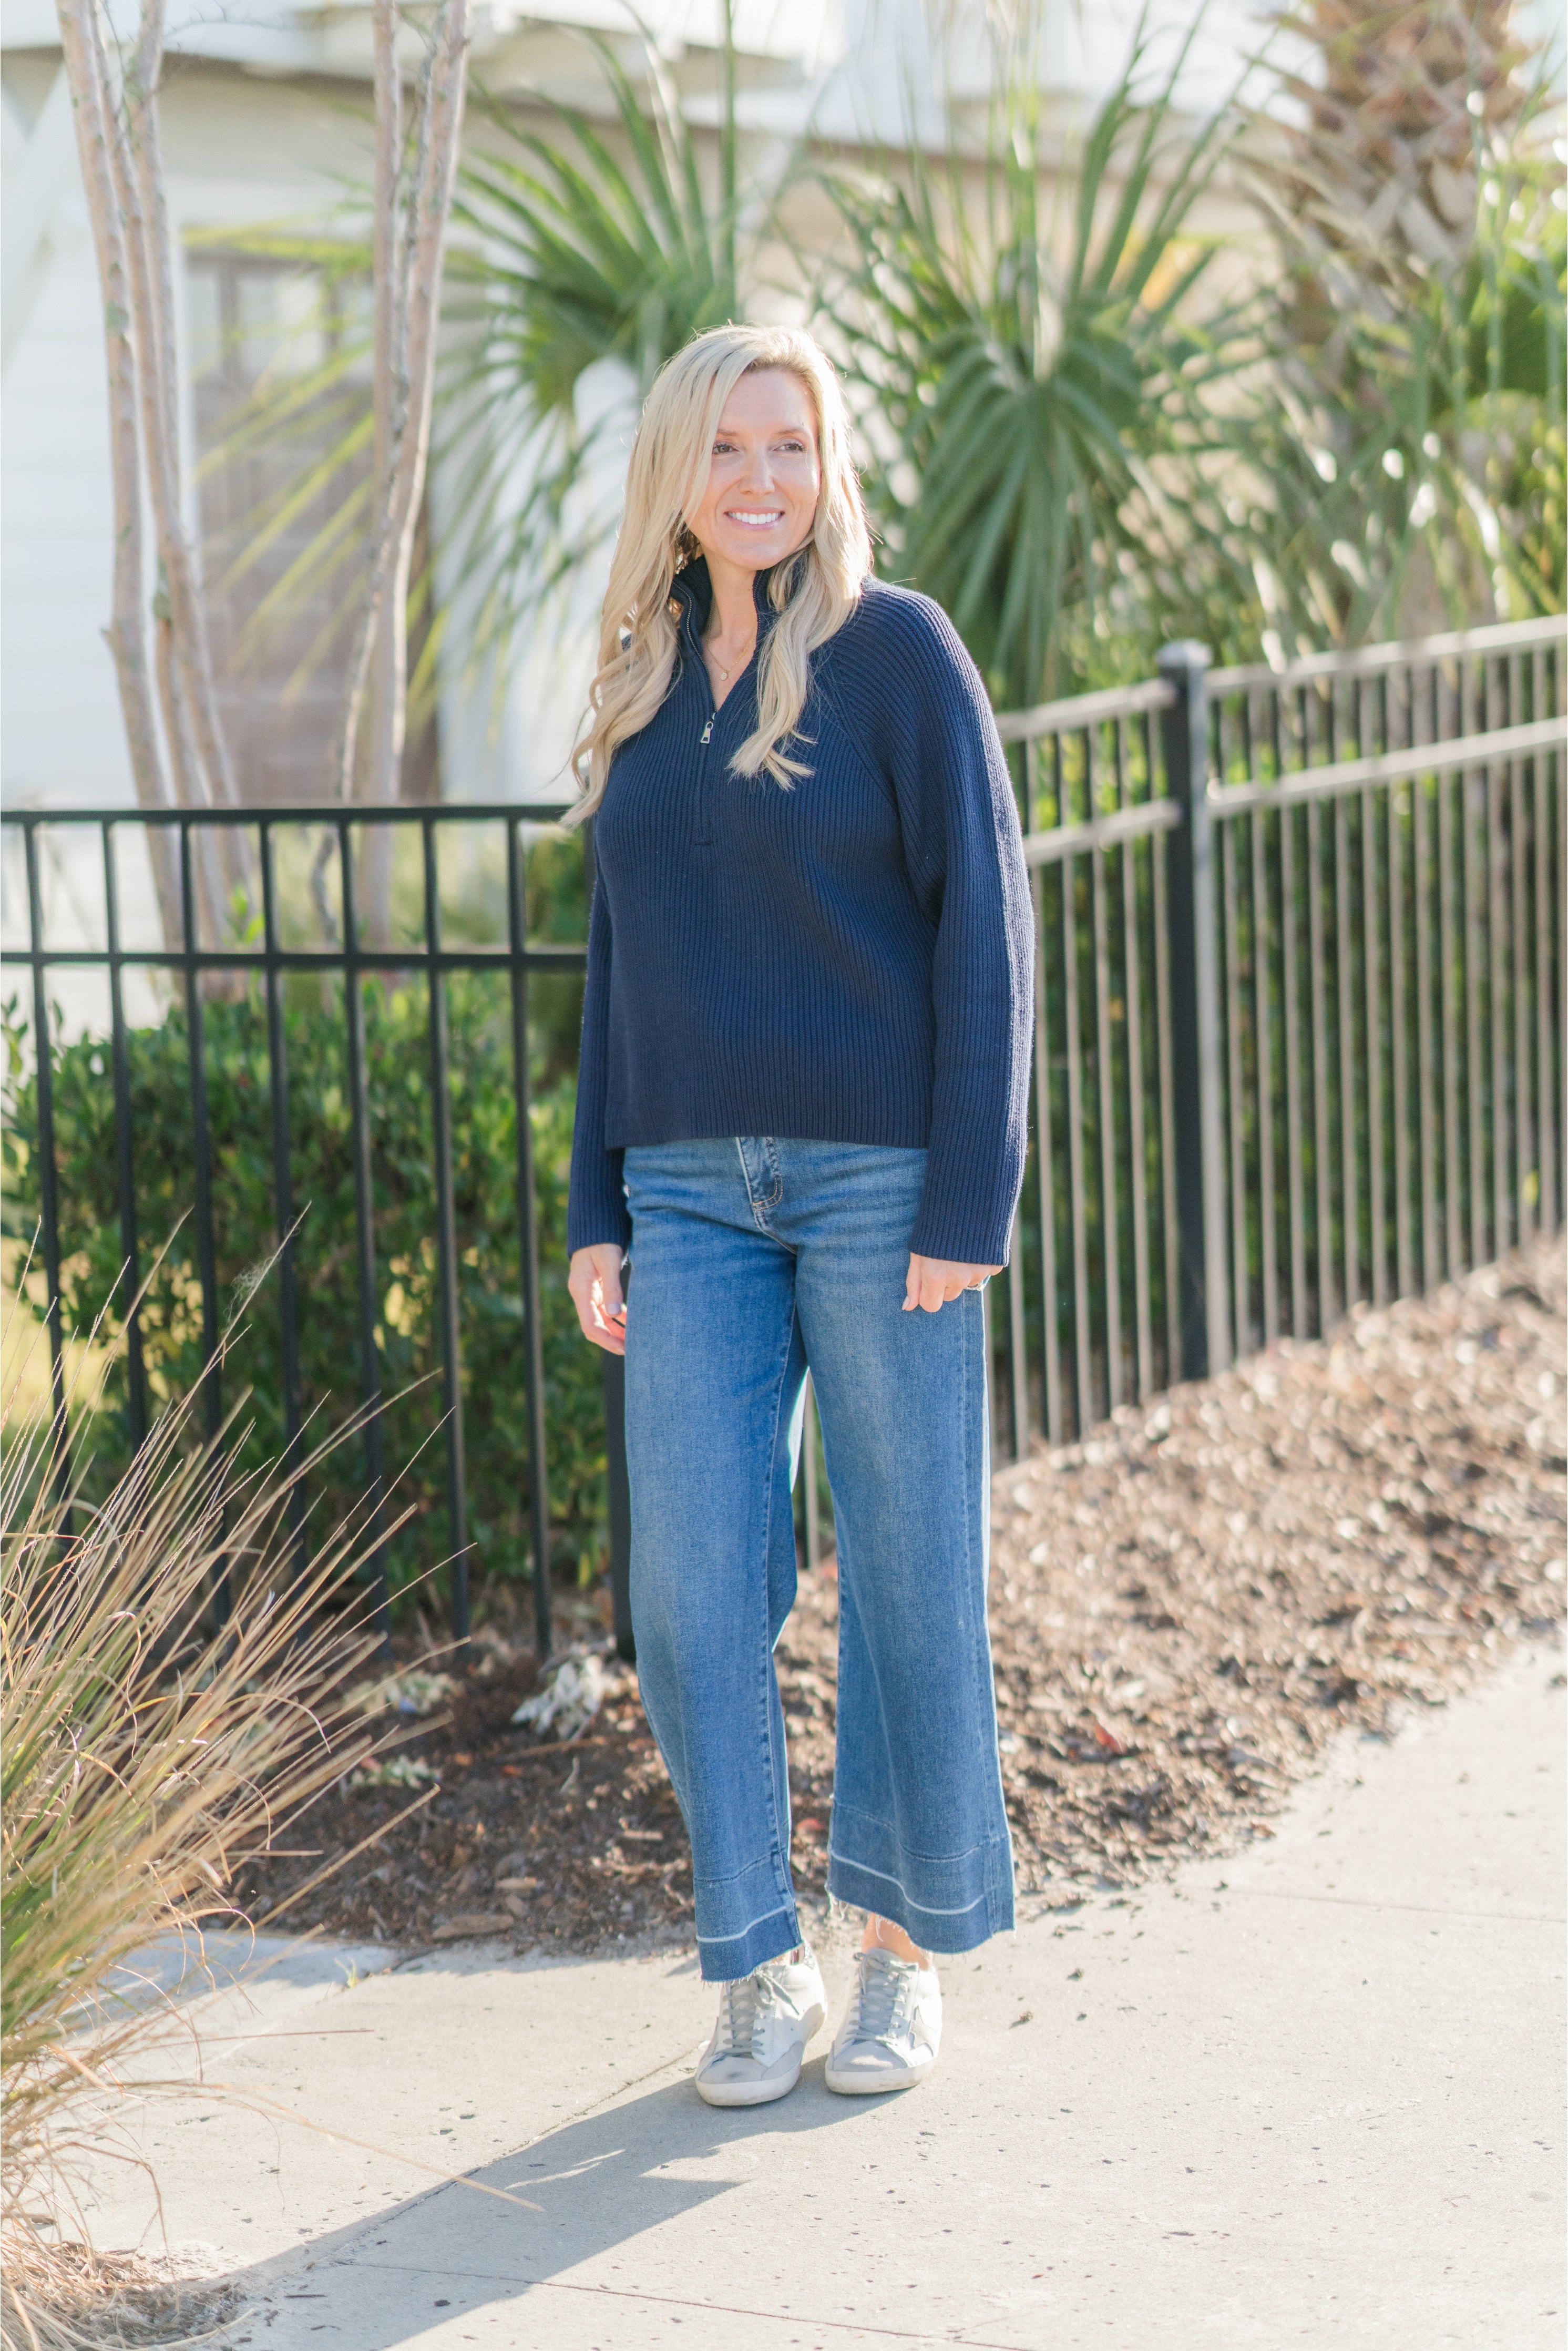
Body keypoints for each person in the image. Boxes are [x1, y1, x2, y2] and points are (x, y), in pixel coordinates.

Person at [565, 322, 1033, 2107]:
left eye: (792, 445)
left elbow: (986, 925)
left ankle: (902, 1953)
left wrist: (969, 1194)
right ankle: (759, 1962)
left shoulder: (898, 654)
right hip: (686, 1193)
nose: (762, 477)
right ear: (679, 475)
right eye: (729, 447)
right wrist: (596, 1201)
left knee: (910, 1573)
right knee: (689, 1591)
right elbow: (620, 963)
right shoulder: (642, 677)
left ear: (827, 466)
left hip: (879, 1186)